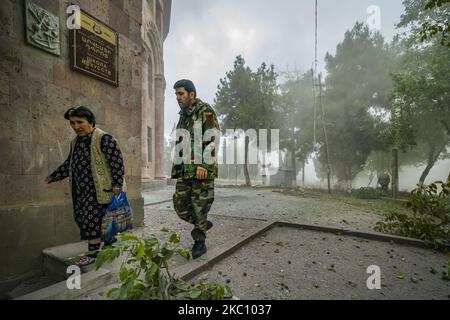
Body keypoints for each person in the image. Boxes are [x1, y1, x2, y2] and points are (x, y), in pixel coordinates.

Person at [45, 106, 126, 266]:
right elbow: (69, 164)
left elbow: (117, 163)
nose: (76, 127)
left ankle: (92, 254)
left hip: (101, 190)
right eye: (72, 123)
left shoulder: (104, 139)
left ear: (90, 121)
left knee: (92, 222)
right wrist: (53, 177)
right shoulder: (75, 142)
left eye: (79, 122)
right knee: (96, 220)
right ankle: (110, 243)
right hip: (81, 190)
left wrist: (117, 184)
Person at [171, 79, 220, 259]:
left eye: (180, 93)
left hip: (201, 170)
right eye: (176, 94)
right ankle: (202, 223)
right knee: (180, 204)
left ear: (192, 94)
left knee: (200, 206)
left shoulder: (205, 111)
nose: (177, 97)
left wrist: (205, 165)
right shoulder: (183, 115)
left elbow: (213, 138)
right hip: (185, 169)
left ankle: (200, 242)